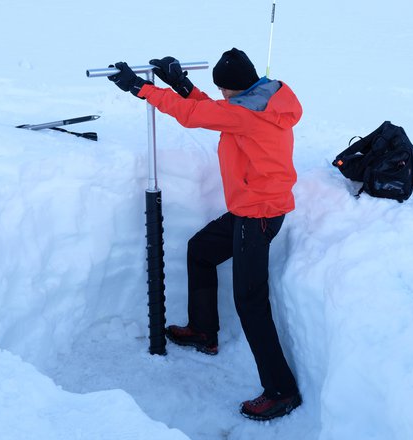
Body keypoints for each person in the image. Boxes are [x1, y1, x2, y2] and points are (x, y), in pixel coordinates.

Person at [107, 48, 302, 421]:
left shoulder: (246, 113)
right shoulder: (264, 98)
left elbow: (197, 115)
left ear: (235, 88)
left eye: (223, 89)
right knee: (201, 250)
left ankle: (281, 390)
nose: (223, 96)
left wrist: (140, 89)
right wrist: (181, 84)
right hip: (255, 208)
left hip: (257, 216)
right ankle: (203, 330)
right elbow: (214, 110)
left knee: (250, 304)